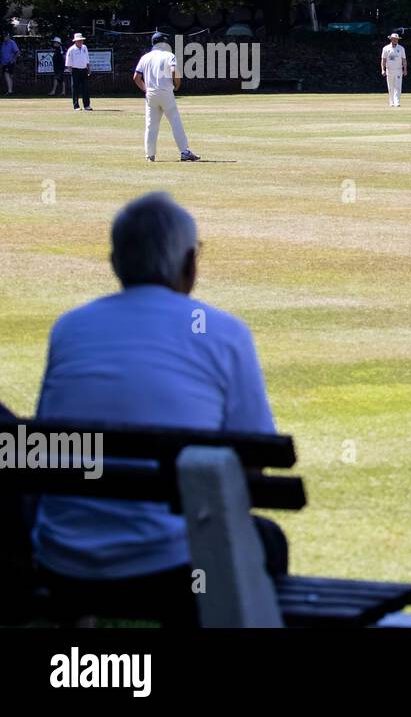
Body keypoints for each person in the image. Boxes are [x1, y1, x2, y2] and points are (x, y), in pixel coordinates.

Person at [31, 193, 284, 625]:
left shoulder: (70, 328)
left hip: (62, 563)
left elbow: (48, 446)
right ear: (190, 265)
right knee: (269, 542)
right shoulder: (223, 333)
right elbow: (255, 466)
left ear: (115, 262)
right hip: (173, 570)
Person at [133, 33, 199, 162]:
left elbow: (136, 77)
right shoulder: (169, 55)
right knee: (175, 122)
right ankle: (184, 152)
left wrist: (145, 89)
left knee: (151, 125)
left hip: (151, 93)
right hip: (165, 91)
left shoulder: (145, 57)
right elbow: (174, 71)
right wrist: (177, 85)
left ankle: (150, 155)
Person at [65, 32, 92, 111]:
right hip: (75, 70)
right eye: (79, 40)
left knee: (85, 88)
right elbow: (68, 63)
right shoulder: (71, 50)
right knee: (75, 88)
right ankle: (76, 106)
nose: (81, 42)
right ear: (75, 41)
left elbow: (87, 59)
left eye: (81, 40)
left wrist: (88, 68)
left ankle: (86, 105)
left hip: (84, 70)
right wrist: (72, 72)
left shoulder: (84, 48)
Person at [380, 32, 406, 107]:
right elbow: (383, 60)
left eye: (396, 39)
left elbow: (404, 60)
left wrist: (405, 69)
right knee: (390, 87)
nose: (395, 40)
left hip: (398, 69)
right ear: (391, 39)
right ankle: (391, 102)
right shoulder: (386, 48)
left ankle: (397, 102)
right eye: (394, 39)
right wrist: (383, 69)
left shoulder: (401, 48)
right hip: (389, 70)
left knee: (398, 86)